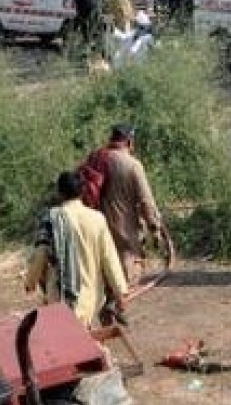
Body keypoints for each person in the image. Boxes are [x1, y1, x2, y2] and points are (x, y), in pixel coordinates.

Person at [25, 171, 129, 327]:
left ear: (59, 193)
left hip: (60, 299)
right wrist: (120, 292)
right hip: (90, 299)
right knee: (83, 333)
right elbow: (109, 258)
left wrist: (31, 281)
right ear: (82, 191)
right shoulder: (97, 219)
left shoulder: (51, 219)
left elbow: (41, 253)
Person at [84, 126, 164, 282]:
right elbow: (146, 201)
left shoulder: (95, 158)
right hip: (122, 230)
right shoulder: (132, 165)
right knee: (126, 273)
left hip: (93, 225)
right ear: (129, 142)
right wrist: (154, 228)